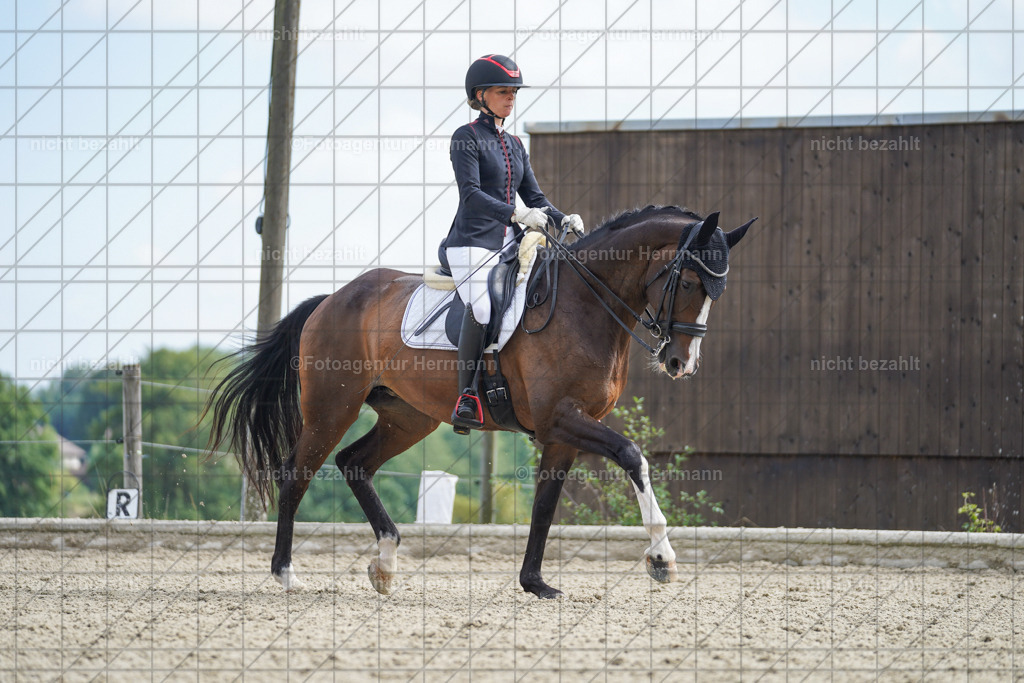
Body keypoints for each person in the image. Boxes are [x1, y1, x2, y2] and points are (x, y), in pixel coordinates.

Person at [441, 54, 584, 434]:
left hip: (509, 243)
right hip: (471, 243)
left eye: (514, 92)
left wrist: (561, 217)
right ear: (480, 94)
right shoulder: (465, 138)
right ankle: (467, 397)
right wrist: (516, 215)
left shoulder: (516, 144)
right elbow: (471, 195)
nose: (511, 98)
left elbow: (535, 197)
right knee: (484, 307)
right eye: (503, 91)